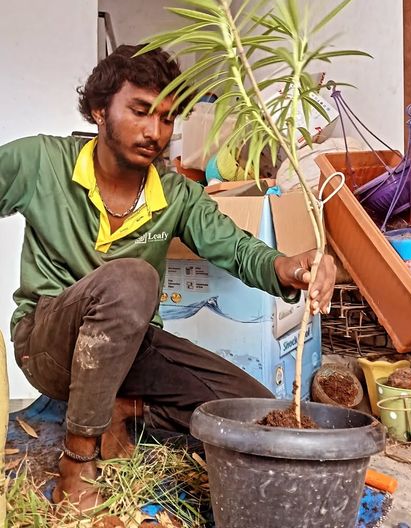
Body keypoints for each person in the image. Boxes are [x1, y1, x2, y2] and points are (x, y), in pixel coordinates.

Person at [0, 45, 336, 523]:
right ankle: (78, 464)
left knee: (256, 415)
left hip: (131, 349)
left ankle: (126, 409)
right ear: (100, 110)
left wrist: (292, 266)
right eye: (140, 112)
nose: (154, 132)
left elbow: (237, 249)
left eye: (166, 118)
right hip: (48, 344)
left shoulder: (175, 192)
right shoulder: (41, 162)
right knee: (134, 278)